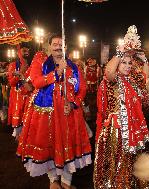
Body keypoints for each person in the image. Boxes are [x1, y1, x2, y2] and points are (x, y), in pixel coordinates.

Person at [16, 34, 92, 189]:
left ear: (66, 47)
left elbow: (82, 89)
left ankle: (66, 181)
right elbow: (36, 82)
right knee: (49, 145)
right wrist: (56, 73)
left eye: (61, 44)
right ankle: (53, 180)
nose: (58, 46)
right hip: (46, 113)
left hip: (69, 113)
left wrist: (73, 104)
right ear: (49, 46)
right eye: (55, 43)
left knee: (68, 145)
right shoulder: (41, 62)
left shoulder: (74, 67)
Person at [93, 25, 149, 189]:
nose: (127, 66)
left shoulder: (132, 81)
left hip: (133, 127)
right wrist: (121, 51)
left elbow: (146, 75)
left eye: (129, 63)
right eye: (123, 63)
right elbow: (109, 71)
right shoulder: (114, 80)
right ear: (118, 63)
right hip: (117, 130)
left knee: (131, 161)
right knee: (118, 163)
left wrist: (144, 58)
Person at [7, 43, 33, 138]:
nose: (27, 52)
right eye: (24, 51)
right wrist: (21, 71)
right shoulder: (13, 65)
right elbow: (11, 83)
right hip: (17, 96)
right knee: (18, 120)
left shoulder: (32, 65)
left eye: (28, 51)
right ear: (19, 52)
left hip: (29, 95)